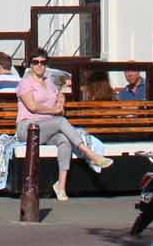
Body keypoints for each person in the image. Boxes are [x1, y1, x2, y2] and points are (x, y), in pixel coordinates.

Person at [16, 50, 112, 199]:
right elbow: (32, 106)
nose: (39, 65)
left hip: (48, 126)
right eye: (36, 62)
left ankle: (61, 186)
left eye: (43, 62)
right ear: (30, 65)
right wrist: (53, 110)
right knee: (60, 122)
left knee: (64, 140)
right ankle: (90, 154)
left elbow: (59, 95)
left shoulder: (49, 82)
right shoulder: (25, 83)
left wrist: (61, 101)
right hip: (28, 127)